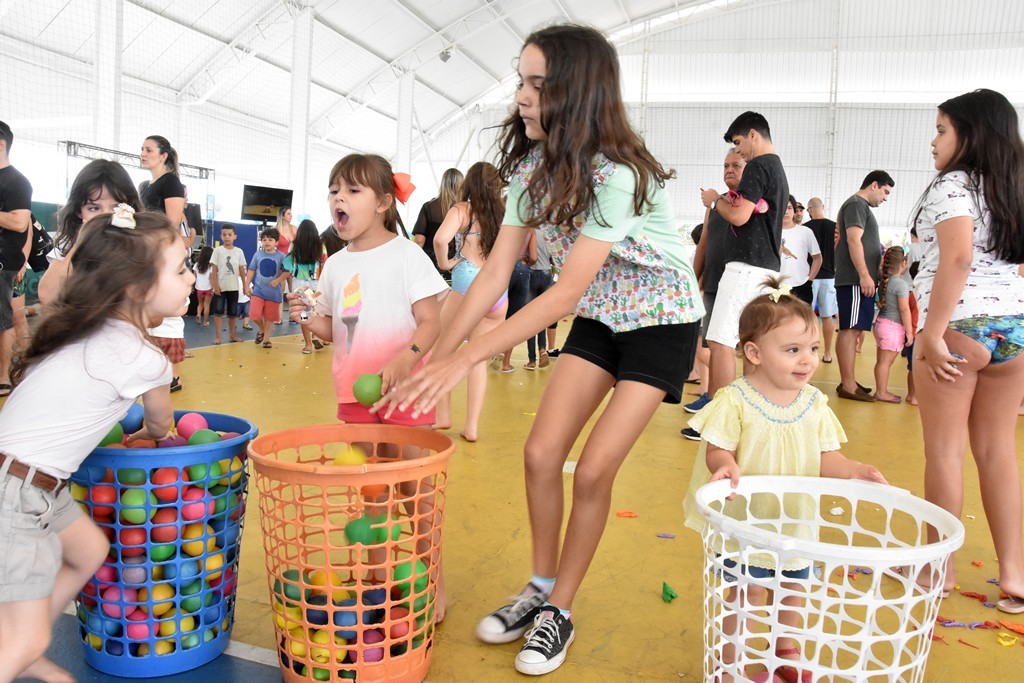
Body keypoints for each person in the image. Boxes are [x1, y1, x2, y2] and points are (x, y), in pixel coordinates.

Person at [383, 25, 703, 675]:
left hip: (661, 320)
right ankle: (539, 583)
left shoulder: (621, 177)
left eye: (538, 85)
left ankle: (561, 606)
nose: (522, 96)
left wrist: (463, 360)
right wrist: (432, 354)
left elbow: (559, 297)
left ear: (579, 93)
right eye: (521, 81)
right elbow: (494, 277)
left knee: (591, 469)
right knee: (539, 453)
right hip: (602, 317)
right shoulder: (530, 170)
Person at [0, 207, 189, 683]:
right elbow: (162, 422)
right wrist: (149, 435)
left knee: (87, 550)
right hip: (19, 493)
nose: (191, 278)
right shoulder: (146, 359)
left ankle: (24, 641)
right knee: (24, 638)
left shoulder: (85, 327)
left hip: (28, 481)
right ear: (138, 287)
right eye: (182, 268)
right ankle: (22, 645)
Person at [681, 276, 886, 683]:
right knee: (747, 591)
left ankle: (785, 647)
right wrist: (722, 465)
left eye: (811, 349)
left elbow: (828, 457)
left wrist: (854, 470)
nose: (807, 360)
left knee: (794, 588)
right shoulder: (735, 399)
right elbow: (718, 448)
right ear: (754, 353)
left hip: (795, 519)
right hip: (746, 521)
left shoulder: (814, 403)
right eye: (792, 350)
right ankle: (731, 657)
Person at [289, 152, 446, 614]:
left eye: (352, 190)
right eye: (334, 190)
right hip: (354, 401)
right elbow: (336, 328)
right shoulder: (334, 265)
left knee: (417, 502)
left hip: (406, 396)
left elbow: (431, 322)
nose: (340, 197)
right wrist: (306, 319)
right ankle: (379, 584)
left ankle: (434, 586)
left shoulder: (407, 255)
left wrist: (405, 360)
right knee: (373, 501)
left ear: (381, 202)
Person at [910, 89, 1024, 610]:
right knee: (1000, 452)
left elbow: (955, 259)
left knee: (946, 450)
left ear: (968, 135)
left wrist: (931, 333)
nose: (934, 141)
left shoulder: (951, 185)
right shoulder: (1012, 188)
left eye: (941, 130)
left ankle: (941, 568)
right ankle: (1016, 574)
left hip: (957, 325)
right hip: (1013, 331)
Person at [688, 113, 789, 440]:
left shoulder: (759, 166)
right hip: (765, 268)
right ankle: (748, 417)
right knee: (750, 346)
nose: (739, 152)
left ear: (753, 135)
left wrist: (715, 200)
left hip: (746, 266)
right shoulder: (778, 169)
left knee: (719, 341)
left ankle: (720, 423)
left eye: (739, 143)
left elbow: (740, 214)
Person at [432, 161, 509, 441]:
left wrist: (446, 263)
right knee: (477, 358)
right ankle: (472, 426)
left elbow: (441, 239)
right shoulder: (504, 213)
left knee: (443, 349)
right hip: (497, 289)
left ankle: (442, 415)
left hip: (466, 282)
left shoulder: (462, 209)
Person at [685, 149, 749, 429]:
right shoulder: (716, 205)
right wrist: (694, 281)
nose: (729, 170)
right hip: (713, 285)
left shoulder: (751, 203)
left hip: (741, 283)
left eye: (736, 165)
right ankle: (713, 398)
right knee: (713, 345)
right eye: (725, 165)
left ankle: (731, 411)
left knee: (737, 348)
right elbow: (704, 245)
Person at [38, 159, 141, 307]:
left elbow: (155, 317)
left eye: (116, 208)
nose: (105, 217)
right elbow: (47, 296)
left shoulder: (140, 245)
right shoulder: (69, 244)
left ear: (130, 208)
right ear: (79, 212)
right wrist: (79, 246)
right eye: (94, 208)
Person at [833, 170, 895, 401]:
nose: (886, 197)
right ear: (874, 185)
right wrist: (864, 275)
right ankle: (848, 385)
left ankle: (848, 381)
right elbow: (853, 239)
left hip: (857, 279)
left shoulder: (860, 207)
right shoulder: (856, 204)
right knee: (850, 330)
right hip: (854, 279)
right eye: (885, 192)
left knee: (854, 328)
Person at [140, 135, 189, 392]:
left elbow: (171, 223)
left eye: (149, 149)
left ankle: (174, 376)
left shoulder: (171, 182)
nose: (143, 153)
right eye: (142, 149)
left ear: (163, 156)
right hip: (148, 256)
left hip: (165, 256)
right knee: (149, 314)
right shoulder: (144, 186)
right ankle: (153, 369)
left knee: (170, 313)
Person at [0, 121, 32, 399]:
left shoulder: (16, 182)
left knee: (12, 319)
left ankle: (9, 376)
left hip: (7, 264)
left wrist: (22, 261)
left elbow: (24, 224)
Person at [871, 246, 913, 403]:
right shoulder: (900, 285)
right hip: (893, 328)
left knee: (881, 362)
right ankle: (881, 392)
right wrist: (909, 332)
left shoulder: (884, 282)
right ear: (903, 263)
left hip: (880, 324)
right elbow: (904, 309)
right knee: (885, 363)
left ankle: (880, 390)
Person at [803, 197, 838, 363]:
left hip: (809, 277)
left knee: (807, 317)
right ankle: (827, 353)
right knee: (827, 317)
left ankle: (809, 350)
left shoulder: (804, 229)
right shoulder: (835, 227)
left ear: (809, 209)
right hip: (829, 277)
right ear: (822, 207)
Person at [282, 219, 323, 354]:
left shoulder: (295, 245)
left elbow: (287, 264)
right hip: (315, 283)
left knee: (303, 312)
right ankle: (316, 335)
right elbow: (325, 262)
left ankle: (308, 345)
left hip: (299, 283)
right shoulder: (320, 245)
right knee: (315, 311)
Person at [413, 168, 464, 276]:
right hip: (458, 263)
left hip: (431, 263)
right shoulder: (465, 209)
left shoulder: (428, 207)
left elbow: (419, 241)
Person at [244, 227, 287, 349]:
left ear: (276, 242)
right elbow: (251, 270)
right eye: (264, 240)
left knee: (269, 317)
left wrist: (278, 281)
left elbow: (287, 272)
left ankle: (266, 339)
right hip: (258, 291)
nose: (267, 242)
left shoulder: (281, 256)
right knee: (254, 315)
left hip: (274, 293)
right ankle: (261, 330)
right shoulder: (258, 254)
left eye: (270, 239)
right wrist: (246, 285)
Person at [779, 195, 821, 305]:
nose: (786, 212)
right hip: (777, 285)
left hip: (802, 285)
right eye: (782, 207)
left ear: (794, 211)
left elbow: (817, 258)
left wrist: (809, 280)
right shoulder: (771, 232)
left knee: (803, 320)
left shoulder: (805, 231)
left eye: (789, 208)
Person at [210, 224, 247, 345]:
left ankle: (232, 335)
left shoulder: (239, 252)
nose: (227, 237)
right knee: (218, 312)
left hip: (234, 287)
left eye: (229, 235)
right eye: (224, 235)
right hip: (220, 287)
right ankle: (218, 336)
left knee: (232, 313)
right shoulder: (217, 251)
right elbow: (214, 270)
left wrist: (245, 286)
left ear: (235, 236)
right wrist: (215, 286)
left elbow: (242, 270)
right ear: (221, 236)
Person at [524, 229, 553, 370]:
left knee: (530, 317)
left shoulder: (530, 232)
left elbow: (533, 257)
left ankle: (531, 360)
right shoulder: (549, 232)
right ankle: (542, 350)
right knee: (542, 316)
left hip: (532, 274)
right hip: (547, 273)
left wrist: (525, 263)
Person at [192, 245, 214, 326]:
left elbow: (194, 277)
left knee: (200, 303)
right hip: (208, 288)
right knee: (207, 305)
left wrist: (191, 286)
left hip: (199, 287)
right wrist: (214, 287)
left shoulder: (197, 265)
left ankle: (198, 315)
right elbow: (211, 278)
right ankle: (205, 322)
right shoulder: (211, 266)